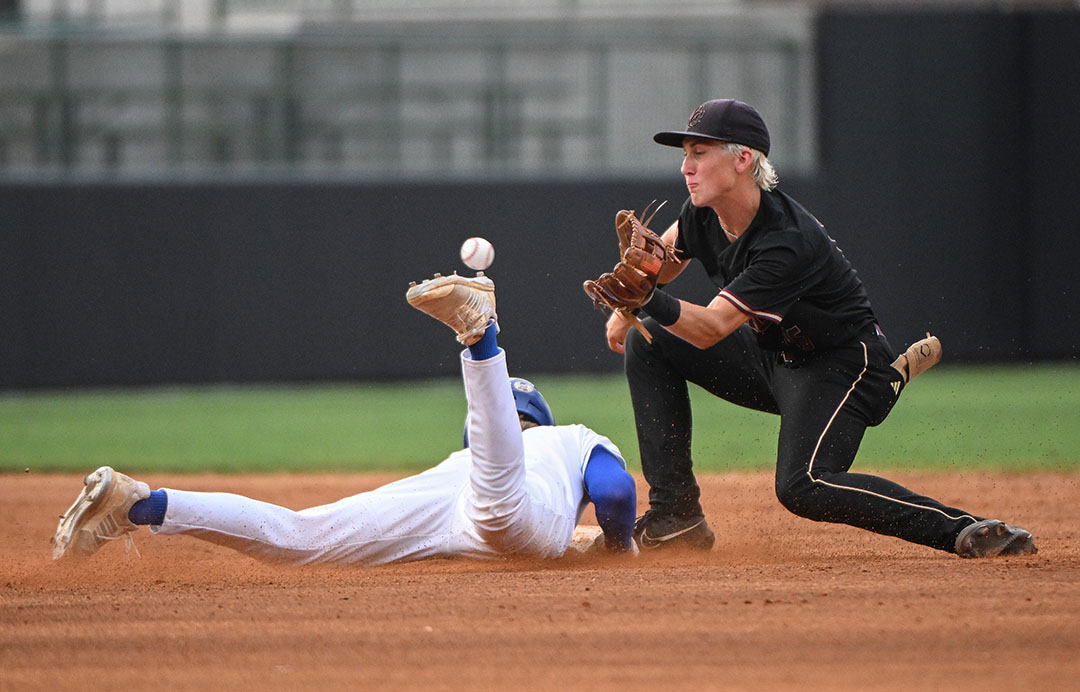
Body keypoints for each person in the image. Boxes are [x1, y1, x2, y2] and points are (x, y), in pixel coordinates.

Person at [601, 98, 1036, 559]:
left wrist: (645, 298)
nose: (686, 167)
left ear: (743, 158)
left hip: (842, 364)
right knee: (646, 342)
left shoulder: (786, 241)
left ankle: (962, 528)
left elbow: (710, 329)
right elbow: (664, 256)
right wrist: (630, 304)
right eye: (685, 154)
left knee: (804, 485)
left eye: (699, 153)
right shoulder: (703, 212)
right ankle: (676, 517)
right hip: (776, 357)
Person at [52, 272, 637, 565]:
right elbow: (614, 494)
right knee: (501, 493)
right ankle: (481, 337)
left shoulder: (460, 457)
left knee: (301, 533)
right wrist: (617, 548)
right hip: (504, 512)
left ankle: (140, 503)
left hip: (447, 507)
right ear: (543, 417)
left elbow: (494, 453)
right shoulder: (572, 438)